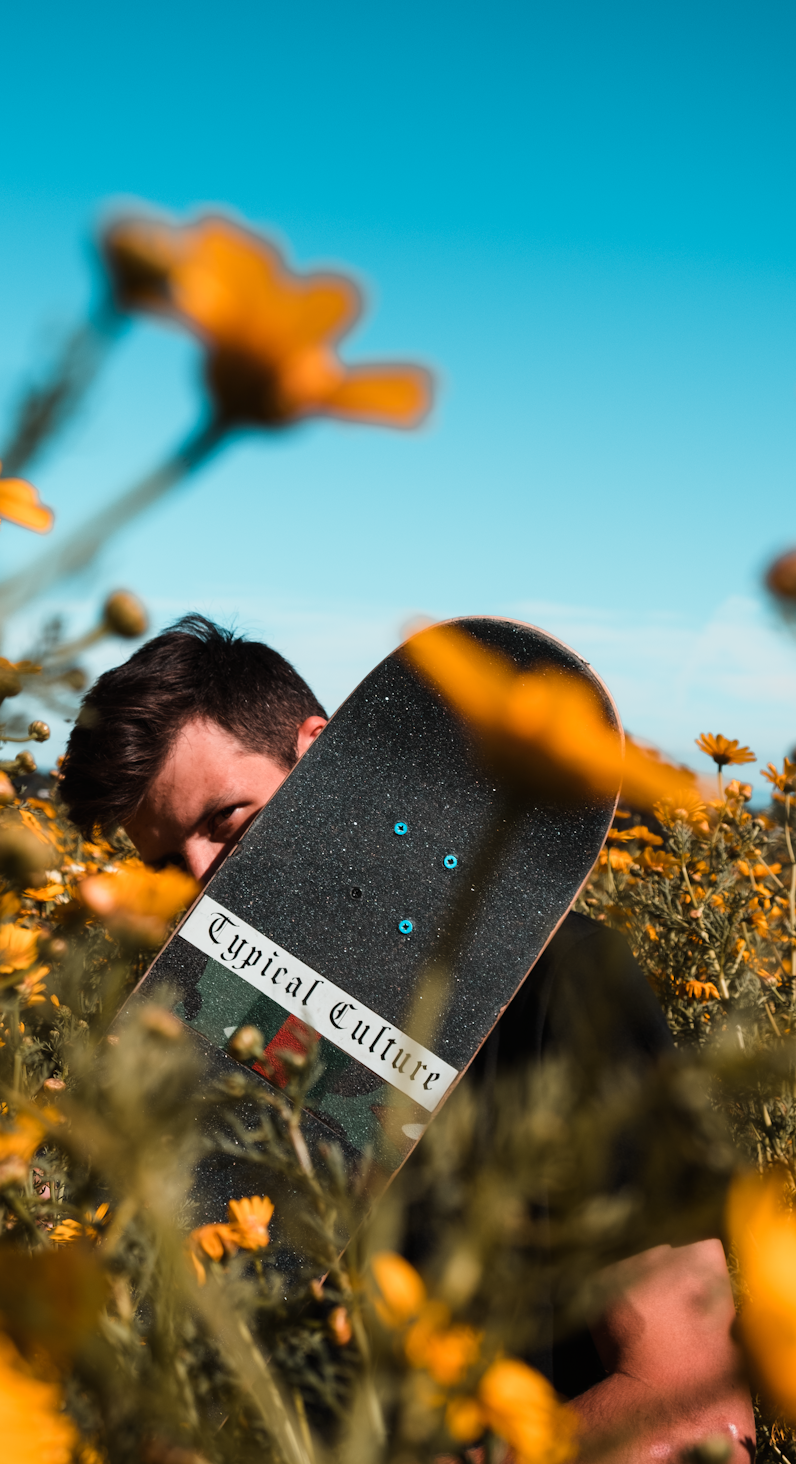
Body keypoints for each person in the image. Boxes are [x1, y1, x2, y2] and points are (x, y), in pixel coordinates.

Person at [60, 615, 755, 1461]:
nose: (206, 886)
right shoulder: (197, 1032)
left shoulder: (568, 987)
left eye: (226, 820)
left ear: (327, 758)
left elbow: (690, 1406)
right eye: (168, 865)